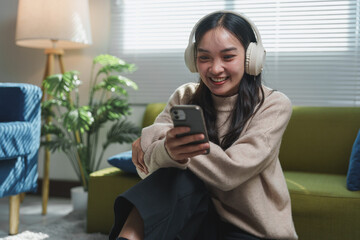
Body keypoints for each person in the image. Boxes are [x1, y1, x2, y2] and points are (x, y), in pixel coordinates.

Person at [109, 10, 298, 240]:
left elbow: (230, 172)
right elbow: (146, 169)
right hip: (198, 220)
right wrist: (168, 151)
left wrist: (164, 144)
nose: (215, 68)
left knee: (181, 167)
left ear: (251, 58)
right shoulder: (185, 96)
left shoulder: (273, 104)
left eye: (228, 57)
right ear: (193, 59)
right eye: (204, 57)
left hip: (251, 230)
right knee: (176, 176)